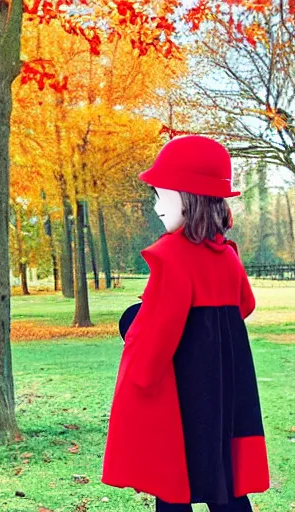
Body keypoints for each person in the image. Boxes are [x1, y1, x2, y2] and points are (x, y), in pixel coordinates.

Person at [102, 136, 269, 511]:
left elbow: (152, 344)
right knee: (225, 486)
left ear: (189, 196)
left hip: (182, 401)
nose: (157, 206)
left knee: (174, 486)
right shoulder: (226, 255)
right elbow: (245, 304)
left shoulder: (171, 256)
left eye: (163, 194)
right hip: (224, 398)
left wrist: (130, 324)